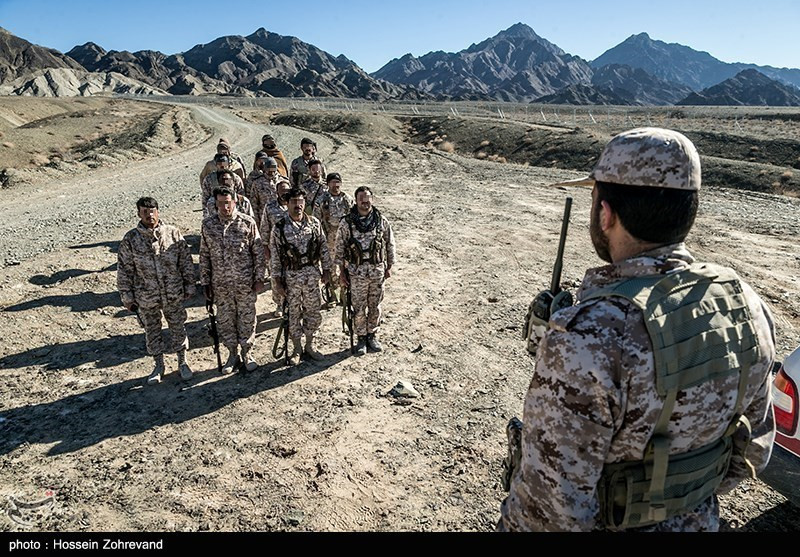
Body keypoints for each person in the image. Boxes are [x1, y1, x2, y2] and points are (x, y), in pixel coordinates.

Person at [498, 127, 777, 532]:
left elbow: (549, 510)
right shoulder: (746, 305)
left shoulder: (589, 334)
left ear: (605, 214)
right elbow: (753, 451)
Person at [117, 197, 196, 384]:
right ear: (138, 214)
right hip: (146, 295)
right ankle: (158, 365)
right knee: (152, 330)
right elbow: (124, 270)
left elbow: (185, 262)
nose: (149, 215)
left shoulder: (172, 233)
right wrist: (127, 296)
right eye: (144, 212)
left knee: (178, 326)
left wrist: (189, 285)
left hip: (172, 292)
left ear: (158, 212)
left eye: (152, 211)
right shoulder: (131, 239)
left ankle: (183, 362)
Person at [200, 187, 267, 374]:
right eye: (221, 203)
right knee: (225, 321)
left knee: (247, 319)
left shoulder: (247, 222)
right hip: (220, 286)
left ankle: (247, 353)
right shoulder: (208, 225)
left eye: (228, 202)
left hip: (245, 284)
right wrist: (205, 282)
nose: (225, 207)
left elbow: (258, 253)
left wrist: (259, 278)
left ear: (235, 202)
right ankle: (232, 354)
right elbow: (204, 255)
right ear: (215, 204)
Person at [269, 187, 332, 365]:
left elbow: (323, 247)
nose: (298, 205)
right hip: (291, 278)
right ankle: (297, 348)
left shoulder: (314, 223)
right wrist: (277, 281)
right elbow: (275, 257)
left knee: (313, 312)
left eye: (300, 202)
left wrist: (327, 270)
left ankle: (310, 345)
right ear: (287, 204)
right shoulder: (279, 228)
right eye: (294, 202)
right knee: (293, 314)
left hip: (312, 276)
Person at [334, 186, 396, 356]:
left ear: (372, 200)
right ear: (356, 200)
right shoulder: (347, 222)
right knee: (359, 307)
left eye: (367, 198)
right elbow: (339, 248)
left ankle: (372, 335)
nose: (365, 201)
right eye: (361, 198)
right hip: (357, 273)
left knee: (375, 306)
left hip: (377, 271)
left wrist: (390, 266)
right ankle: (361, 337)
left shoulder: (381, 220)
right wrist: (341, 273)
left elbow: (389, 243)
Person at [313, 172, 353, 305]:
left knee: (346, 266)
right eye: (332, 182)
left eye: (338, 182)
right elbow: (316, 222)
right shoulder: (321, 200)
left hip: (345, 240)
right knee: (330, 267)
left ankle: (344, 294)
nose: (336, 185)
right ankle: (332, 295)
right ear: (328, 184)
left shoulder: (347, 199)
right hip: (328, 238)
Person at [261, 179, 291, 317]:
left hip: (293, 249)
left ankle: (293, 303)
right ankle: (279, 304)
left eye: (287, 190)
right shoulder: (270, 207)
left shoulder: (294, 205)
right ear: (277, 192)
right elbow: (265, 228)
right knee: (276, 277)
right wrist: (265, 247)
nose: (284, 193)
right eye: (282, 190)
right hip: (275, 249)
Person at [250, 156, 283, 226]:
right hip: (264, 219)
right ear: (265, 169)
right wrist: (256, 220)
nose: (272, 173)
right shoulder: (257, 183)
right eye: (269, 170)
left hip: (281, 217)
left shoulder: (283, 181)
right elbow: (254, 203)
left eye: (273, 170)